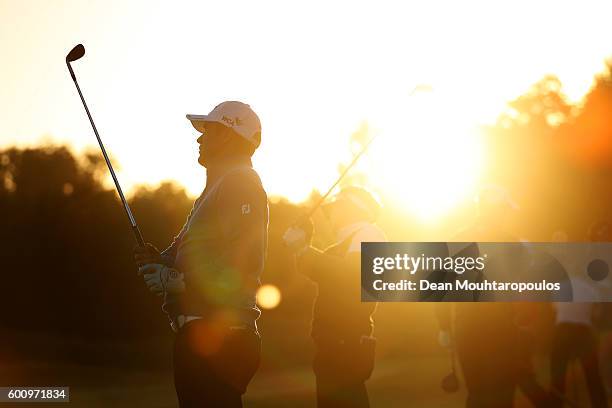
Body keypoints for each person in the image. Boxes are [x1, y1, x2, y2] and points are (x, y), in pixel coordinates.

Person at [134, 101, 268, 407]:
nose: (199, 138)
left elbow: (243, 261)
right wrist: (160, 260)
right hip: (201, 335)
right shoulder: (214, 190)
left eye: (207, 130)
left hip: (223, 336)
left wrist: (177, 281)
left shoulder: (241, 182)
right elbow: (190, 254)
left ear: (227, 135)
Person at [436, 185, 552, 407]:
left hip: (466, 329)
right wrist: (526, 322)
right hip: (501, 330)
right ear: (498, 211)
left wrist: (444, 328)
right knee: (501, 394)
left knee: (476, 393)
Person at [283, 186, 387, 408]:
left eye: (337, 207)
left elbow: (348, 276)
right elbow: (319, 270)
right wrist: (302, 246)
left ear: (353, 209)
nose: (331, 214)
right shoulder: (343, 243)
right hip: (332, 344)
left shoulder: (369, 233)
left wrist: (304, 248)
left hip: (347, 344)